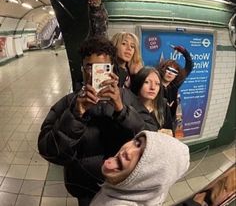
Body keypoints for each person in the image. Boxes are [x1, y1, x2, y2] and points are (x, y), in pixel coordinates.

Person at [38, 36, 157, 206]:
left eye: (102, 67)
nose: (95, 73)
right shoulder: (68, 103)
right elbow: (48, 150)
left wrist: (122, 110)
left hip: (122, 186)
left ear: (112, 69)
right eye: (89, 66)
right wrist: (75, 115)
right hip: (84, 187)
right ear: (82, 68)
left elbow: (152, 136)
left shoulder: (126, 98)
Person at [90, 130, 190, 206]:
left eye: (142, 158)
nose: (128, 152)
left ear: (152, 178)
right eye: (137, 143)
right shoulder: (155, 191)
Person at [131, 66, 174, 136]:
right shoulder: (129, 105)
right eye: (147, 82)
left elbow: (170, 131)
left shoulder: (163, 105)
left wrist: (169, 134)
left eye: (157, 84)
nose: (153, 87)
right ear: (138, 83)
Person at [158, 45, 193, 123]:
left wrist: (184, 52)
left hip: (171, 120)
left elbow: (189, 66)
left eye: (174, 71)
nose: (170, 73)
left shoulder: (175, 85)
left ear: (176, 75)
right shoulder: (155, 85)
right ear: (163, 69)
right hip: (156, 121)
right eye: (168, 69)